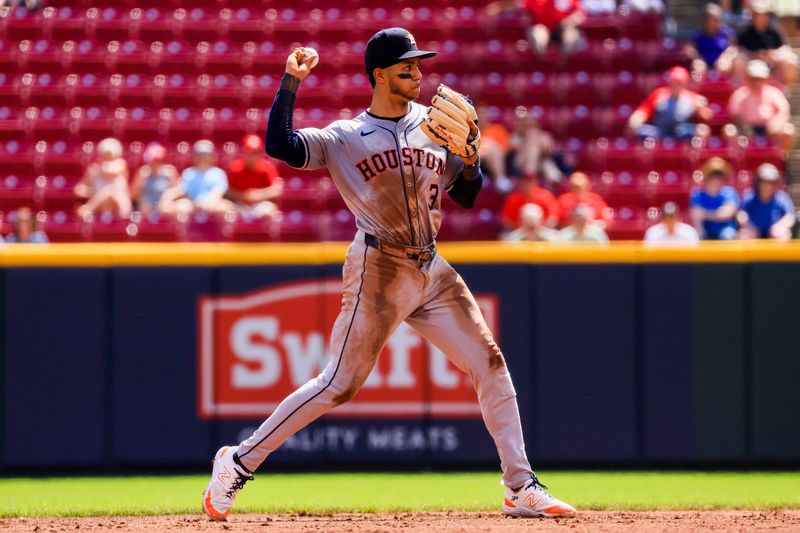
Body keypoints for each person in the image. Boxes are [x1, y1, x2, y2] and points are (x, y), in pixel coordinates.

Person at [201, 28, 576, 521]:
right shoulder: (346, 136)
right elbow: (281, 145)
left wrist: (467, 158)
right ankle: (238, 462)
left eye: (419, 65)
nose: (418, 74)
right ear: (380, 75)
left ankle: (519, 486)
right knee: (338, 383)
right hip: (378, 267)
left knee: (490, 363)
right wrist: (291, 81)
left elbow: (466, 194)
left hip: (431, 265)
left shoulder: (435, 125)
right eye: (406, 68)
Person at [724, 59, 795, 152]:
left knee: (788, 130)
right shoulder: (740, 94)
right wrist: (744, 125)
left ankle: (781, 158)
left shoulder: (774, 93)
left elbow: (783, 112)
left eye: (760, 79)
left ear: (766, 78)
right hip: (746, 129)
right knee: (730, 131)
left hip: (770, 129)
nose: (757, 82)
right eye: (754, 79)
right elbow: (734, 114)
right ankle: (739, 161)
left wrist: (775, 124)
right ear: (748, 78)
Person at [627, 66, 712, 141]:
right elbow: (643, 111)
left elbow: (706, 116)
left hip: (681, 131)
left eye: (679, 83)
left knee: (702, 130)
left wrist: (701, 108)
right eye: (674, 82)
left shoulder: (692, 97)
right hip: (659, 131)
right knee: (637, 130)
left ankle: (693, 157)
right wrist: (636, 120)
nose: (676, 85)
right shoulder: (659, 94)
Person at [724, 0, 798, 86]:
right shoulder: (743, 30)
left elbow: (785, 48)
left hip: (771, 64)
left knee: (790, 60)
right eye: (756, 14)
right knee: (738, 59)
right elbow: (736, 49)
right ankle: (743, 90)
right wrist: (753, 55)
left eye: (762, 14)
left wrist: (772, 54)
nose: (759, 17)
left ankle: (783, 89)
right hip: (749, 64)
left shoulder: (775, 30)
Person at [159, 140, 235, 216]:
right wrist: (167, 197)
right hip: (192, 203)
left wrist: (208, 202)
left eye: (206, 154)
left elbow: (218, 192)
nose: (202, 157)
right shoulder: (188, 173)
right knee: (180, 207)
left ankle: (224, 228)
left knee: (226, 208)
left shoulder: (218, 173)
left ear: (212, 157)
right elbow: (183, 190)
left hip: (213, 203)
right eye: (199, 154)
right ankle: (182, 228)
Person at [487, 0, 585, 55]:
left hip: (563, 30)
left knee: (572, 35)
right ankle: (543, 59)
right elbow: (516, 4)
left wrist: (568, 22)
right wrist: (497, 8)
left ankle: (564, 63)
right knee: (538, 32)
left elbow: (579, 15)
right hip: (543, 29)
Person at [225, 134, 284, 220]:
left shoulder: (267, 166)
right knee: (228, 213)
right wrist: (243, 196)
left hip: (261, 204)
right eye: (248, 152)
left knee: (271, 212)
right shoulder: (235, 167)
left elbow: (277, 190)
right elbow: (228, 191)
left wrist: (258, 195)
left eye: (255, 153)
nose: (251, 156)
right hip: (241, 204)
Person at [74, 137, 133, 220]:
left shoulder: (121, 164)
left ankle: (88, 208)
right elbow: (80, 189)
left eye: (109, 154)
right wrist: (88, 191)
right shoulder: (93, 170)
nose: (107, 156)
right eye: (105, 154)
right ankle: (89, 209)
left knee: (109, 193)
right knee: (105, 194)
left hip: (119, 204)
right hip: (99, 206)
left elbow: (109, 171)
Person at [739, 163, 796, 240]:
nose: (767, 186)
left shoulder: (782, 197)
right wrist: (749, 226)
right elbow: (741, 214)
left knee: (784, 234)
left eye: (771, 183)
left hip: (774, 233)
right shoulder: (749, 195)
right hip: (753, 232)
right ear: (757, 183)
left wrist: (780, 226)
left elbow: (790, 216)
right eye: (764, 182)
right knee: (743, 234)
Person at [690, 157, 740, 240]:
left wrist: (705, 214)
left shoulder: (729, 193)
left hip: (725, 230)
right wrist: (715, 214)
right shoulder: (697, 195)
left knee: (728, 235)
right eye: (712, 177)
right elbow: (696, 218)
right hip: (705, 232)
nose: (715, 180)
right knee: (697, 235)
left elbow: (725, 214)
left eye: (718, 177)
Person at [510, 107, 563, 186]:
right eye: (525, 122)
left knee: (546, 164)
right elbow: (513, 148)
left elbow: (549, 152)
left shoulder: (543, 136)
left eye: (530, 121)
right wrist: (527, 139)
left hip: (540, 165)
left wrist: (536, 139)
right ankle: (531, 170)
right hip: (521, 165)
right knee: (531, 143)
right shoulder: (516, 136)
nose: (528, 124)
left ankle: (554, 179)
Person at [687, 3, 737, 78]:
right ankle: (698, 89)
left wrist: (725, 57)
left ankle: (725, 88)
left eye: (714, 20)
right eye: (708, 20)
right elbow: (690, 50)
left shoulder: (727, 33)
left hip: (721, 63)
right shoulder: (697, 34)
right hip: (703, 62)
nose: (711, 23)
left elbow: (733, 49)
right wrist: (698, 58)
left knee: (724, 66)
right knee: (697, 67)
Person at [130, 143, 179, 215]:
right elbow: (133, 196)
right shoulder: (143, 173)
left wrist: (167, 196)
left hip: (164, 207)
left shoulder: (170, 172)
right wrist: (140, 181)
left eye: (158, 161)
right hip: (146, 208)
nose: (155, 164)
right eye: (153, 161)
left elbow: (179, 191)